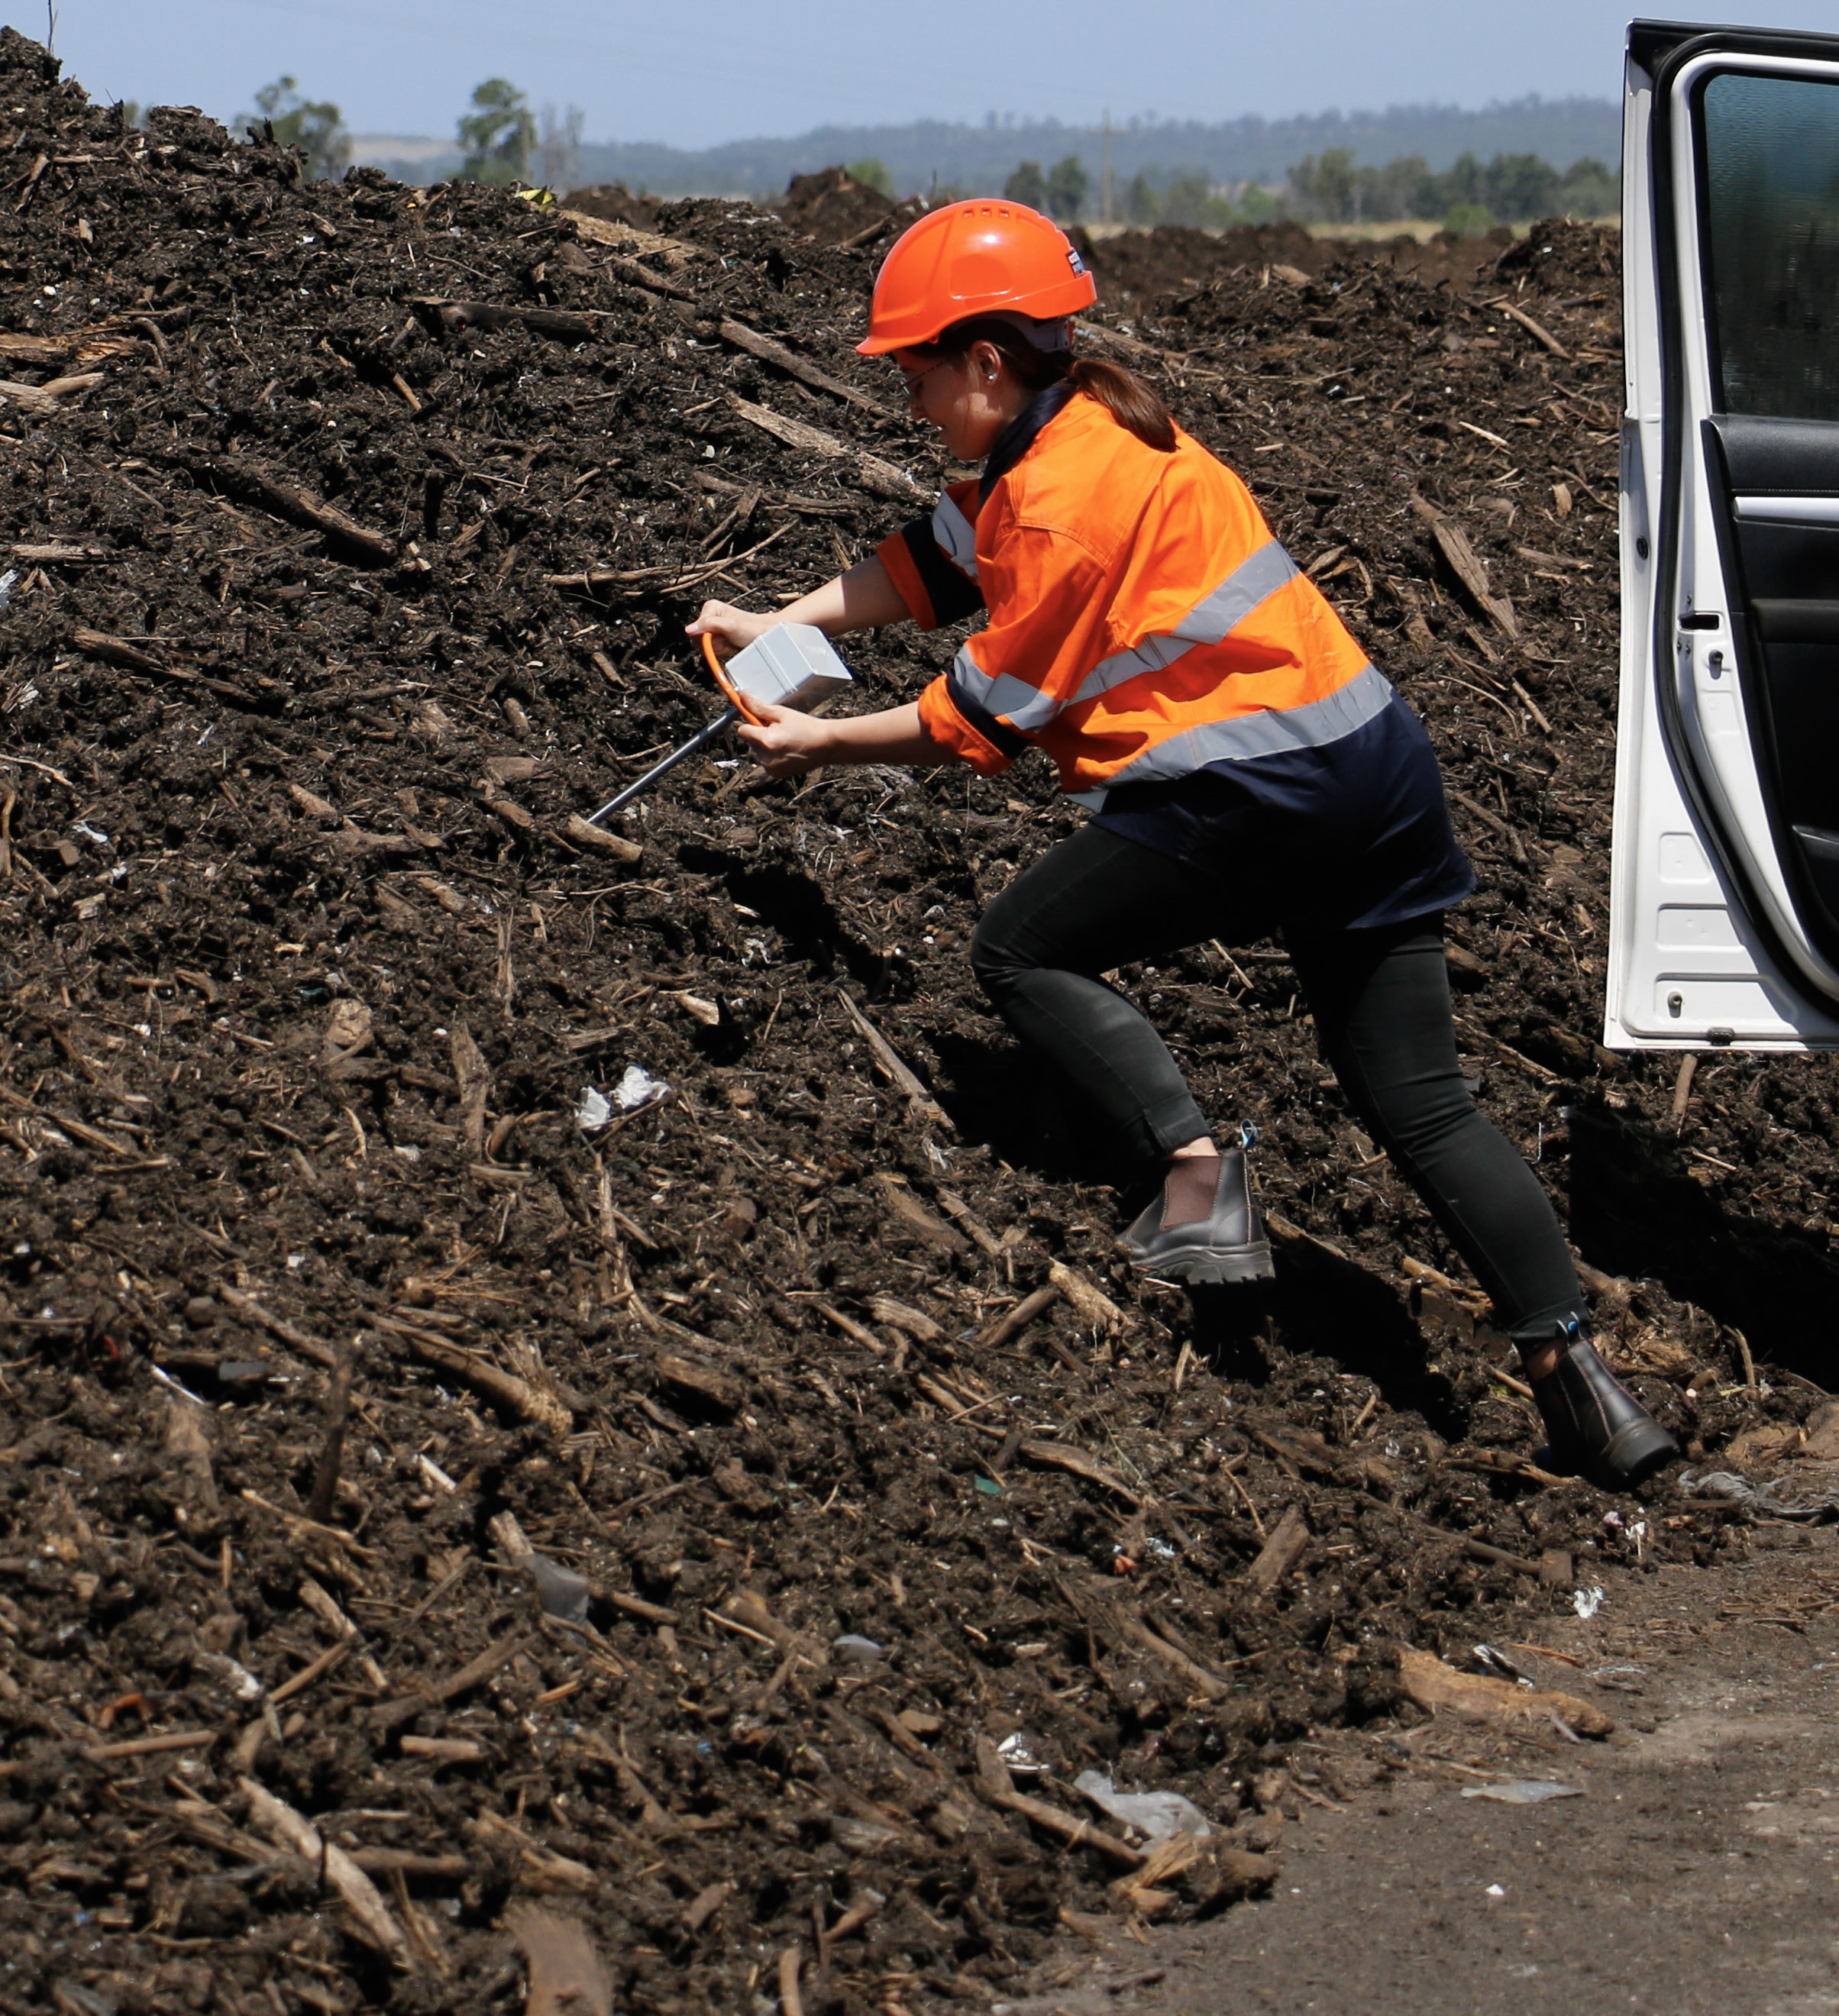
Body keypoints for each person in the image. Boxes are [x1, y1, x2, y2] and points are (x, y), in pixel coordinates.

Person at [693, 199, 1675, 1486]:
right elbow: (940, 559)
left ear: (985, 361)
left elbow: (978, 716)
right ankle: (1586, 1389)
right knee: (1419, 1098)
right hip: (1374, 772)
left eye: (916, 375)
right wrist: (777, 619)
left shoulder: (1059, 502)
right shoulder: (1093, 425)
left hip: (1257, 792)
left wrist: (819, 742)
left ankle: (1197, 1183)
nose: (910, 403)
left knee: (1020, 950)